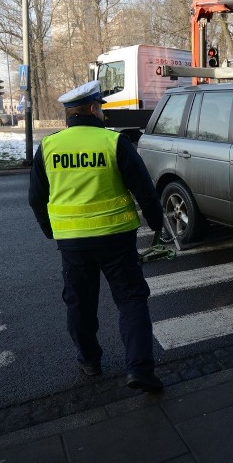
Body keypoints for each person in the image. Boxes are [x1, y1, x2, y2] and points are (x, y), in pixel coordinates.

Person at [29, 80, 166, 393]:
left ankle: (89, 360)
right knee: (131, 300)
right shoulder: (113, 142)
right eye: (101, 107)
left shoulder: (49, 146)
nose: (102, 112)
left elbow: (36, 197)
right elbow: (143, 189)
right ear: (92, 109)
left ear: (69, 113)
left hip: (73, 242)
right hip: (116, 239)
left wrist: (51, 230)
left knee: (80, 302)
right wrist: (157, 223)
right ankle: (139, 369)